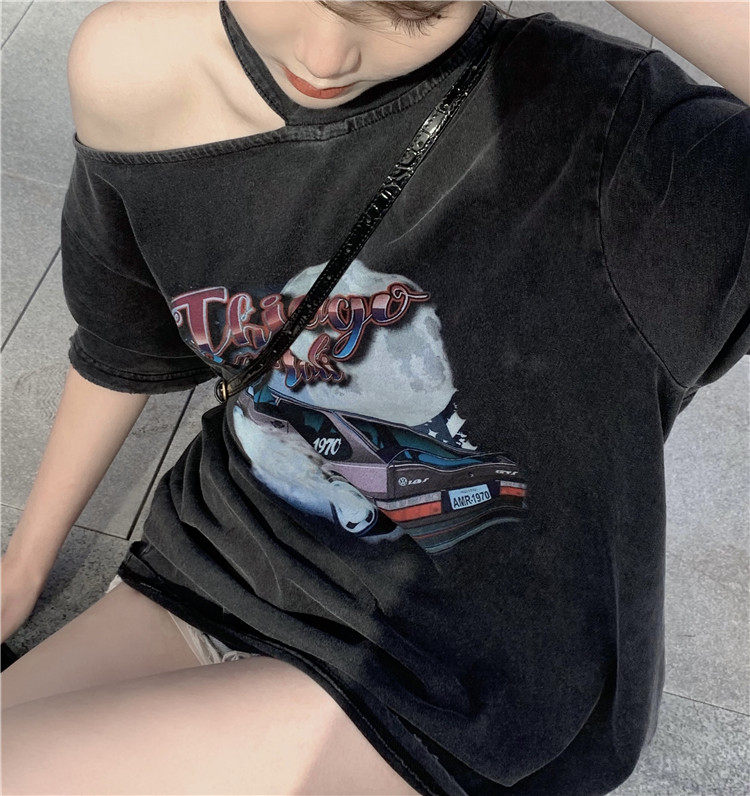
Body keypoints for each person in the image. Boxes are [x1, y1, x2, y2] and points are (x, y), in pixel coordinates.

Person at [1, 1, 748, 793]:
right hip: (212, 569)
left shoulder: (617, 147)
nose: (326, 57)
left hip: (441, 686)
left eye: (414, 7)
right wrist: (23, 567)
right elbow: (121, 345)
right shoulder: (137, 74)